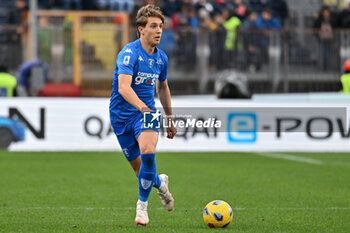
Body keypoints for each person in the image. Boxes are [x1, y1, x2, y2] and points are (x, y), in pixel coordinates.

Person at [109, 4, 177, 226]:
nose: (159, 31)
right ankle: (161, 184)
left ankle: (142, 208)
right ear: (141, 29)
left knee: (148, 152)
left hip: (146, 113)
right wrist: (141, 106)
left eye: (161, 26)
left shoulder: (161, 59)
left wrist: (169, 118)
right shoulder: (129, 54)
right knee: (141, 171)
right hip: (121, 117)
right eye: (153, 26)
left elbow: (163, 88)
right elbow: (124, 88)